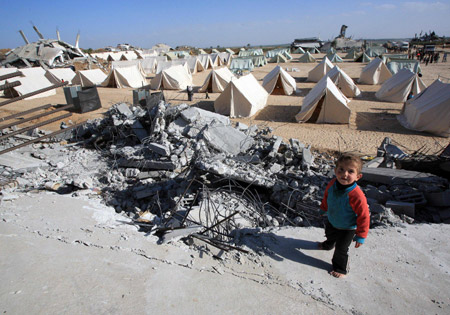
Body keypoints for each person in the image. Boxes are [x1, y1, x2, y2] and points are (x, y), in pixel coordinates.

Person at [318, 154, 370, 279]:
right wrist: (323, 208)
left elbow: (364, 216)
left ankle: (340, 268)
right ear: (335, 171)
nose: (344, 174)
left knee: (341, 249)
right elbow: (327, 197)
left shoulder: (356, 195)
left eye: (350, 171)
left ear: (358, 177)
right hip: (333, 220)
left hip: (348, 228)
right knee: (330, 234)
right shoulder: (332, 184)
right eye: (341, 169)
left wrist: (361, 235)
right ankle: (328, 245)